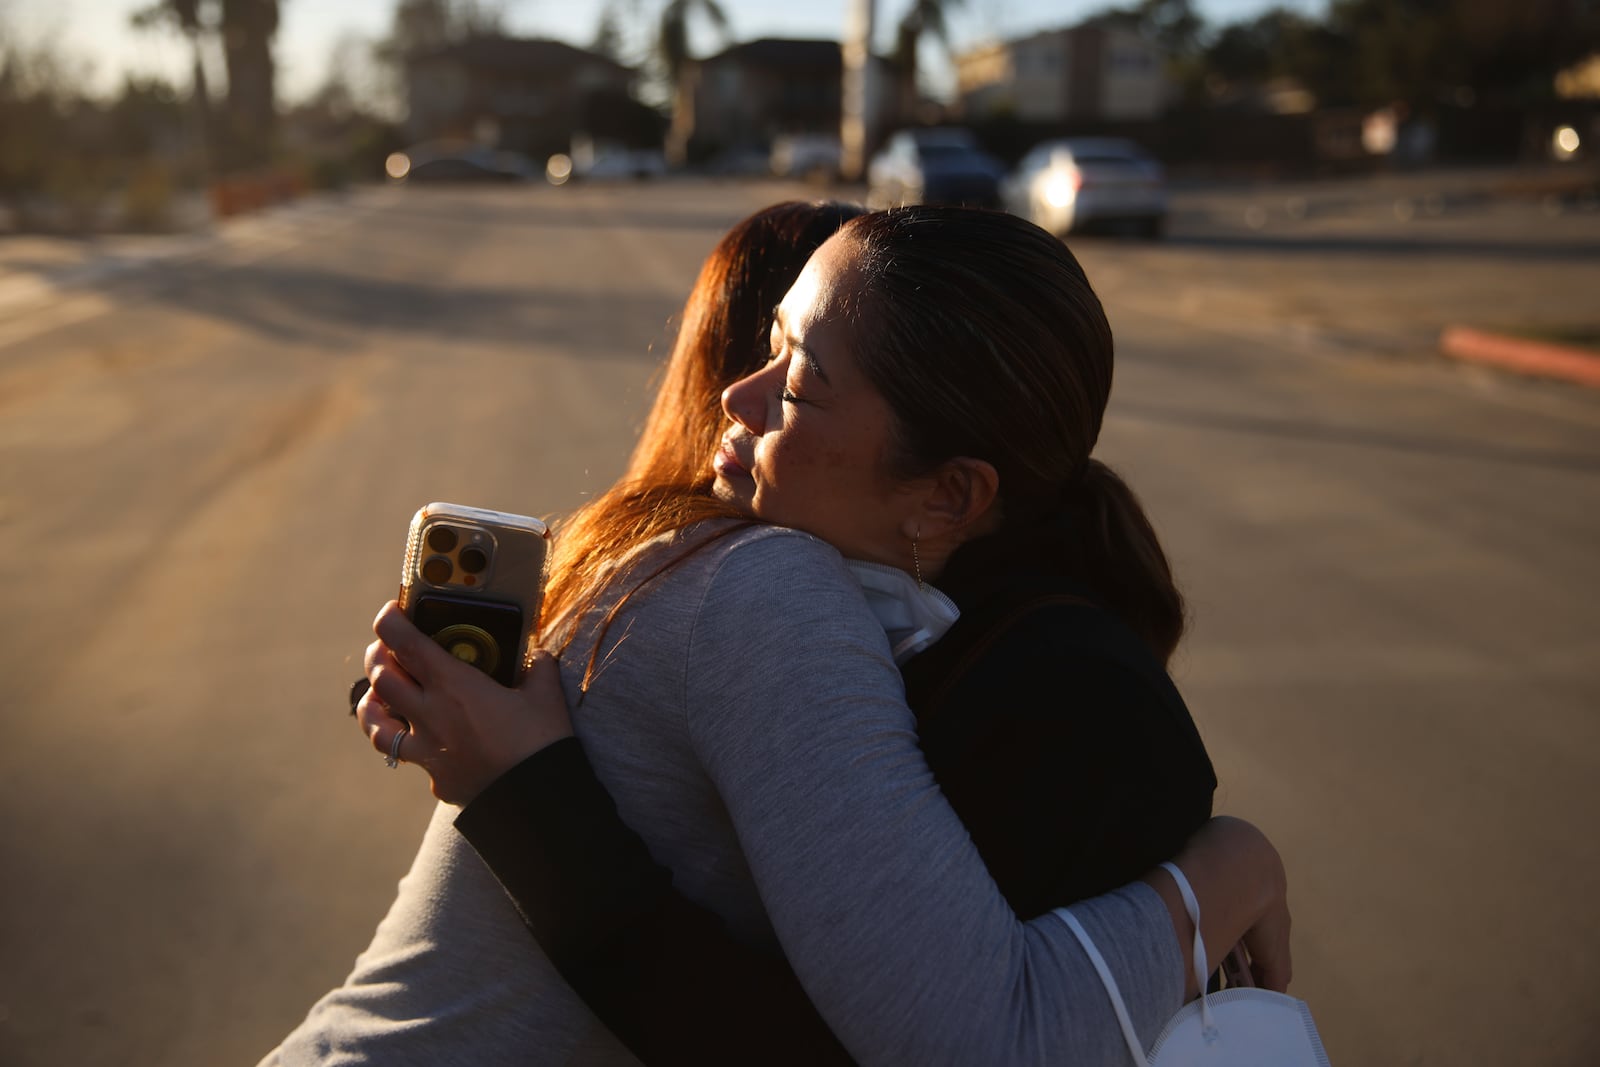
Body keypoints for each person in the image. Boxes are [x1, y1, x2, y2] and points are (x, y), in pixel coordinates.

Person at [265, 204, 1289, 1066]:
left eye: (796, 384)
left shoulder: (727, 567)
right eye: (768, 349)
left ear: (949, 498)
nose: (735, 395)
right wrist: (1233, 868)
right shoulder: (765, 585)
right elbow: (989, 1038)